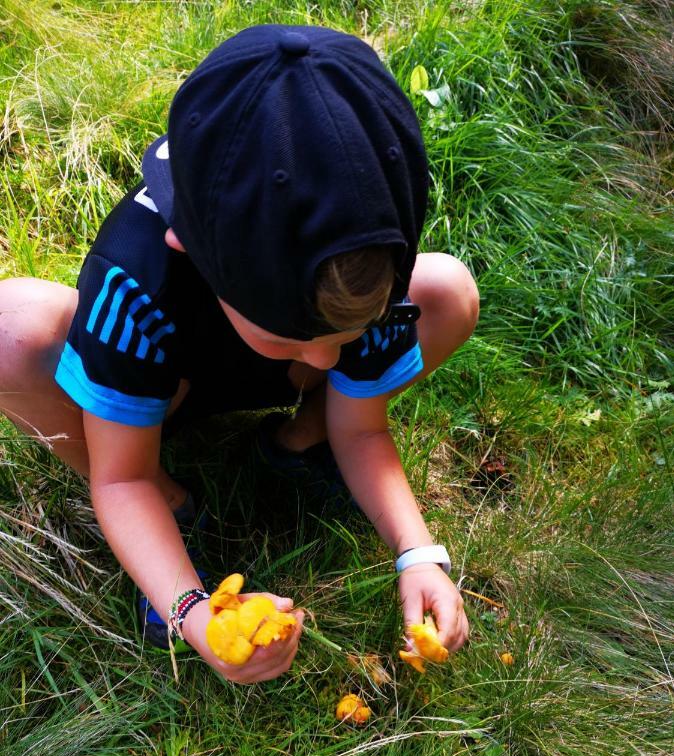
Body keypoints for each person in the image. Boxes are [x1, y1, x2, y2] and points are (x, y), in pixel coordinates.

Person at [0, 24, 477, 684]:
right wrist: (195, 614)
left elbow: (363, 426)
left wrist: (418, 554)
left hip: (244, 370)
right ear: (184, 246)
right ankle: (174, 516)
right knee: (10, 331)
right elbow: (121, 480)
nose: (324, 364)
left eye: (343, 339)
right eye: (293, 336)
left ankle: (300, 447)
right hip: (166, 388)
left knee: (448, 291)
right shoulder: (135, 282)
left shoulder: (360, 265)